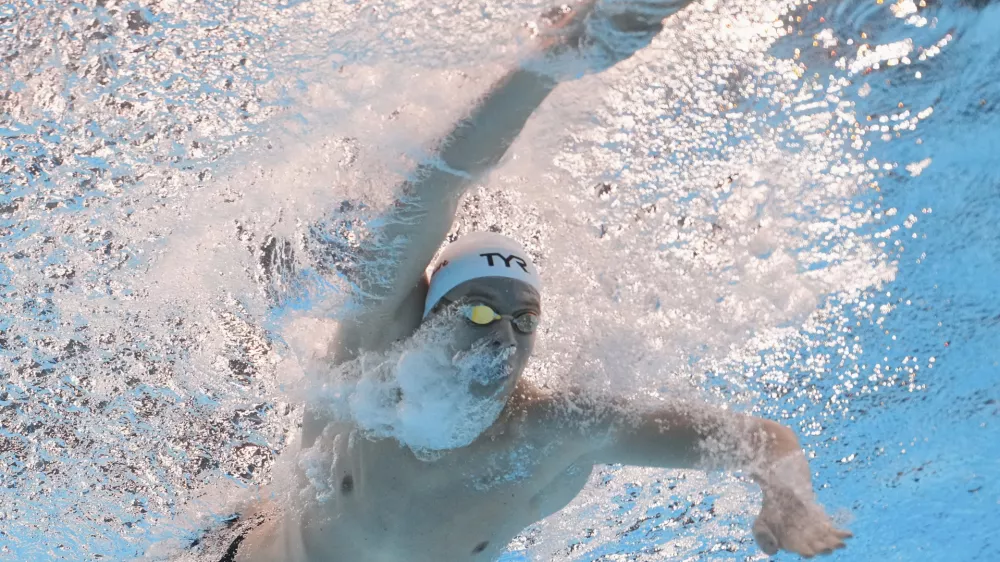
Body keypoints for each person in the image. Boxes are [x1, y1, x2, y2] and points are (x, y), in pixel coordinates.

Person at [232, 1, 853, 560]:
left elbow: (758, 439)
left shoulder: (551, 431)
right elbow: (438, 179)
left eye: (524, 320)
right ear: (423, 314)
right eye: (478, 310)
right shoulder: (370, 362)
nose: (503, 335)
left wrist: (787, 494)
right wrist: (557, 57)